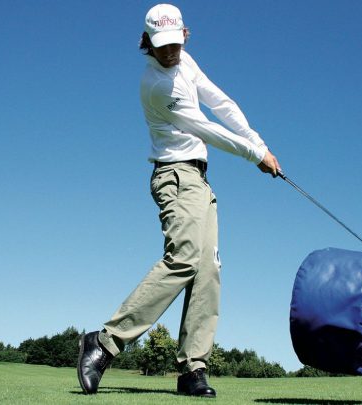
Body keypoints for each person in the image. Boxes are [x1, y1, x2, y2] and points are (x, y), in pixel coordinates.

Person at [77, 3, 281, 397]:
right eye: (161, 46)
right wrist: (254, 156)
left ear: (185, 35)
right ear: (147, 43)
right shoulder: (157, 85)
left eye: (175, 43)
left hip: (199, 182)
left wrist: (259, 142)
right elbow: (203, 126)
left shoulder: (186, 62)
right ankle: (105, 342)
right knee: (185, 257)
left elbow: (221, 103)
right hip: (174, 175)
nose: (170, 52)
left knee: (208, 270)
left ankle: (192, 369)